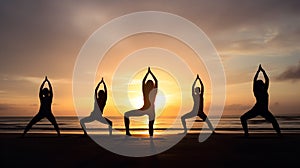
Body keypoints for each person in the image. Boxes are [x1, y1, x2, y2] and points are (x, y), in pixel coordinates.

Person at [240, 64, 281, 137]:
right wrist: (258, 72)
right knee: (243, 118)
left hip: (264, 110)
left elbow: (267, 80)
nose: (261, 85)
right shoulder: (256, 91)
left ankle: (279, 134)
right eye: (260, 85)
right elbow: (254, 80)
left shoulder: (265, 90)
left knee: (274, 121)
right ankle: (246, 134)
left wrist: (263, 71)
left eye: (262, 84)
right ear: (258, 86)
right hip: (256, 109)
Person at [124, 67, 158, 136]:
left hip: (146, 110)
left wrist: (148, 73)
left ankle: (128, 132)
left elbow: (145, 81)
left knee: (126, 114)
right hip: (147, 110)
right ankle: (128, 132)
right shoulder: (153, 91)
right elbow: (155, 81)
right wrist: (150, 73)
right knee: (126, 115)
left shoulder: (147, 91)